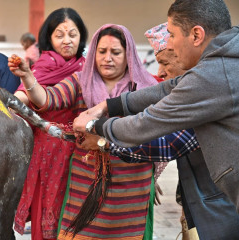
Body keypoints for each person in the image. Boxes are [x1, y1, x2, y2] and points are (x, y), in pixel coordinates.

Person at [72, 0, 239, 213]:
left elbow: (147, 124)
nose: (169, 43)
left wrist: (96, 127)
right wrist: (110, 105)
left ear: (196, 35)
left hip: (217, 209)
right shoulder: (224, 59)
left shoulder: (213, 76)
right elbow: (167, 89)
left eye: (172, 34)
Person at [9, 24, 160, 239]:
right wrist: (27, 77)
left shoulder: (144, 88)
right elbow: (49, 98)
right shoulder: (80, 81)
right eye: (101, 52)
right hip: (85, 185)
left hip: (131, 189)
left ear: (129, 56)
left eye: (116, 53)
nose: (108, 58)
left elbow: (154, 135)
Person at [99, 22, 239, 240]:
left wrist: (101, 135)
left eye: (165, 62)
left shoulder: (207, 90)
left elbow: (168, 144)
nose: (160, 72)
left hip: (221, 213)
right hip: (200, 207)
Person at [12, 8, 88, 240]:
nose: (67, 40)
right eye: (59, 34)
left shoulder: (89, 67)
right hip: (49, 149)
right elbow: (23, 97)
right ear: (49, 38)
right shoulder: (41, 67)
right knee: (49, 208)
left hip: (84, 149)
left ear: (81, 36)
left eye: (73, 34)